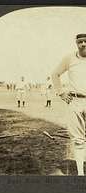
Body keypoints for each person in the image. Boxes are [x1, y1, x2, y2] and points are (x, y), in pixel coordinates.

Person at [51, 33, 86, 175]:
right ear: (76, 43)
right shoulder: (69, 58)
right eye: (80, 42)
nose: (83, 44)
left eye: (85, 41)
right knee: (78, 140)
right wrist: (60, 92)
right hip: (75, 101)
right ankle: (80, 173)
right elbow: (55, 74)